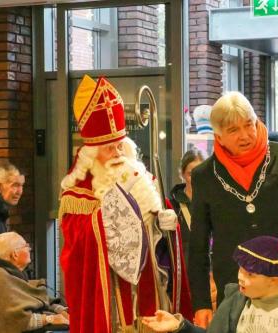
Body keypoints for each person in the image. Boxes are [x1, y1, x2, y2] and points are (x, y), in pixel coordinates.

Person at [58, 75, 192, 332]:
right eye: (110, 148)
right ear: (91, 154)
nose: (118, 154)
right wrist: (115, 208)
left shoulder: (142, 178)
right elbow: (80, 254)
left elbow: (158, 243)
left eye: (121, 145)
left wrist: (165, 227)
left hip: (151, 287)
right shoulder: (78, 196)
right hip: (114, 297)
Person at [189, 91, 278, 328]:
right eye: (233, 130)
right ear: (218, 135)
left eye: (249, 125)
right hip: (235, 289)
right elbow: (197, 246)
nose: (245, 135)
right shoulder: (204, 175)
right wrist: (201, 303)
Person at [143, 234, 278, 333]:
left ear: (273, 280)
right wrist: (180, 326)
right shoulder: (236, 301)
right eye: (240, 270)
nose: (240, 278)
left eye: (250, 274)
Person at [0, 232, 69, 333]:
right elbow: (13, 321)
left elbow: (34, 301)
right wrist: (49, 319)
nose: (29, 249)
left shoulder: (6, 274)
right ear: (15, 254)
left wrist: (61, 310)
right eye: (26, 246)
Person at [170, 148, 206, 264]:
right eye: (191, 174)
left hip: (210, 273)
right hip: (183, 271)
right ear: (182, 174)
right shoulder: (172, 206)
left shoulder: (215, 203)